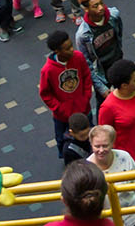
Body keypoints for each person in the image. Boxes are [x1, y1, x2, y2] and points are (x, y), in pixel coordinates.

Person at [39, 31, 96, 160]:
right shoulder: (48, 70)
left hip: (84, 110)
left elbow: (86, 76)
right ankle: (66, 158)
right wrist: (60, 109)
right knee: (61, 139)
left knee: (88, 134)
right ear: (57, 51)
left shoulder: (78, 57)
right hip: (63, 117)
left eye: (71, 45)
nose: (72, 49)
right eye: (68, 48)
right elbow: (45, 94)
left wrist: (85, 98)